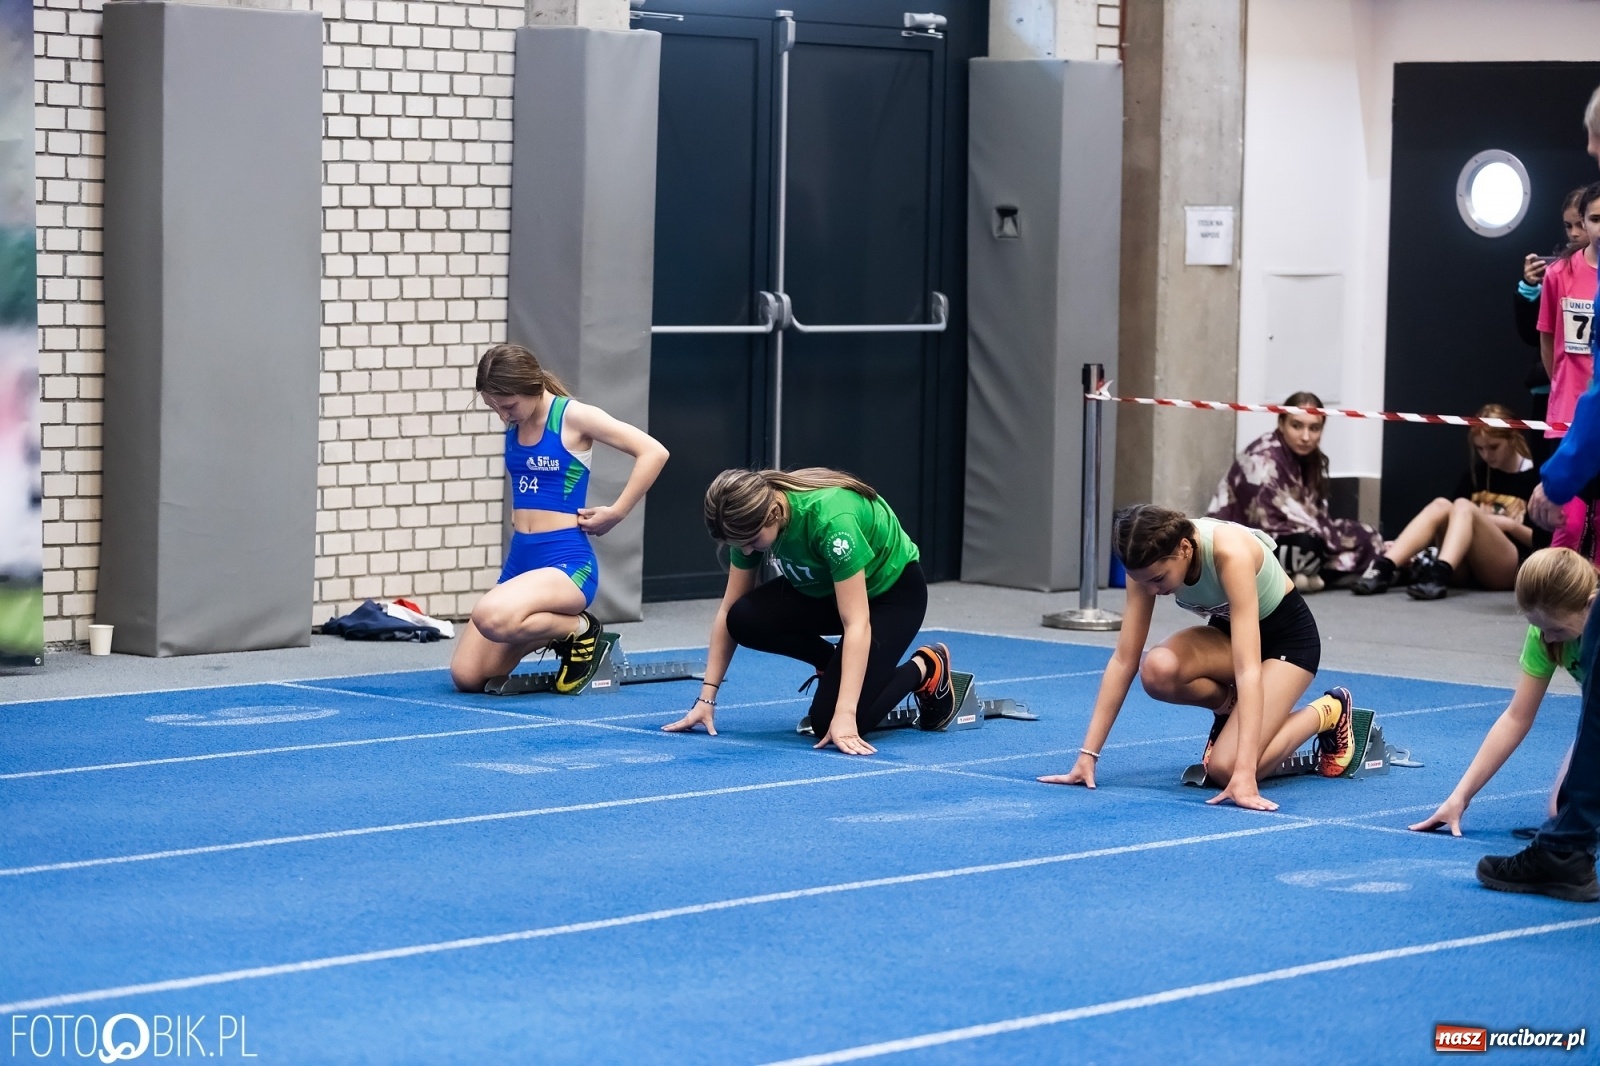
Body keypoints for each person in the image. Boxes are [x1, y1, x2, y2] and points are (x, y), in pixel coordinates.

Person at [1038, 505, 1356, 810]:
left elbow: (1248, 669)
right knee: (1158, 669)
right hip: (1229, 636)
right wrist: (1087, 755)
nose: (1150, 590)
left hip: (1287, 644)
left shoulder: (1230, 553)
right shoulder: (1145, 562)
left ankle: (1328, 711)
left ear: (1186, 549)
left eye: (1159, 579)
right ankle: (1230, 709)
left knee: (1226, 770)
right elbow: (1124, 660)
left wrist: (1245, 775)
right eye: (1142, 581)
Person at [1485, 85, 1600, 903]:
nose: (1592, 157)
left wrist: (1555, 481)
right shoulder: (1564, 276)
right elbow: (1544, 338)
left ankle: (1567, 842)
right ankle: (1568, 838)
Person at [662, 467, 955, 755]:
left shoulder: (832, 521)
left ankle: (927, 667)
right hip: (824, 590)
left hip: (890, 597)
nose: (748, 551)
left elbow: (856, 622)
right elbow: (728, 610)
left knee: (829, 721)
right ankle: (833, 664)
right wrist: (706, 699)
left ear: (773, 513)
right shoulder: (746, 519)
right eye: (740, 545)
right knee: (742, 618)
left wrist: (845, 715)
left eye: (752, 542)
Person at [449, 344, 669, 694]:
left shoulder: (573, 416)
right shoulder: (516, 420)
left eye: (507, 406)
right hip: (522, 559)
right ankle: (553, 634)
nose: (502, 416)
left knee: (490, 616)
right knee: (467, 676)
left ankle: (581, 630)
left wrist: (617, 512)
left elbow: (654, 451)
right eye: (493, 407)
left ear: (534, 388)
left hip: (565, 564)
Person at [1409, 548, 1585, 846]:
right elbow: (1517, 717)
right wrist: (1460, 796)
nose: (1549, 638)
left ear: (1589, 605)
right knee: (1564, 811)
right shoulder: (1544, 635)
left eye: (1557, 628)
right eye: (1540, 628)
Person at [1350, 405, 1547, 600]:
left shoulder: (1534, 478)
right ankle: (1383, 567)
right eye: (1480, 449)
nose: (1487, 455)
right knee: (1442, 504)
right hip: (1466, 565)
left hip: (1509, 566)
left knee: (1463, 505)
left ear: (1512, 438)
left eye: (1493, 447)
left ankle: (1438, 573)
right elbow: (1453, 516)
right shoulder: (1477, 473)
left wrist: (1509, 524)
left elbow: (1542, 542)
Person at [1206, 391, 1383, 591]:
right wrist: (1317, 536)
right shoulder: (1262, 458)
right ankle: (1314, 576)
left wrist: (1321, 535)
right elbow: (1262, 526)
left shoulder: (1311, 459)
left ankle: (1307, 576)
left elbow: (1317, 517)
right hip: (1254, 539)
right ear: (1281, 424)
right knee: (1304, 546)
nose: (1305, 437)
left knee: (1369, 536)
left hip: (1305, 535)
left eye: (1314, 428)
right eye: (1297, 426)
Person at [1537, 182, 1600, 558]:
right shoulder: (1559, 273)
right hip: (1568, 414)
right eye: (1593, 219)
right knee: (1568, 523)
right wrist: (1564, 388)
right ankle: (1547, 615)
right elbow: (1549, 340)